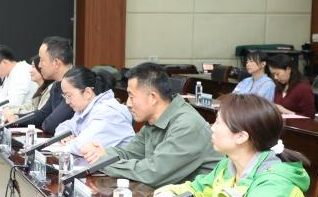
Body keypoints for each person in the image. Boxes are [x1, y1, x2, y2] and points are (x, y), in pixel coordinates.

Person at [150, 93, 318, 197]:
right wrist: (170, 193)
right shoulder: (228, 165)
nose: (212, 127)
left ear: (241, 137)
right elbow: (198, 191)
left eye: (218, 122)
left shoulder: (276, 182)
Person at [81, 62, 220, 187]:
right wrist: (101, 153)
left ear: (153, 97)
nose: (128, 103)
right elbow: (130, 153)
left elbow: (154, 173)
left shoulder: (187, 125)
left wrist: (104, 162)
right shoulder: (153, 121)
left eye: (131, 96)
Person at [50, 67, 135, 154]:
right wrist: (64, 137)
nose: (67, 102)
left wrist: (72, 141)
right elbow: (63, 127)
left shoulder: (109, 113)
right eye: (65, 96)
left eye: (69, 96)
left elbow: (82, 147)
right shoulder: (84, 109)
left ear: (87, 93)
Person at [13, 37, 75, 133]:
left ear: (56, 63)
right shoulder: (57, 85)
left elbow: (50, 125)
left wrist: (44, 122)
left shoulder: (75, 86)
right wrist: (16, 118)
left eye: (42, 60)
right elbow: (43, 114)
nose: (39, 65)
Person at [0, 45, 39, 112]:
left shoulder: (21, 72)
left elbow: (14, 104)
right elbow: (3, 95)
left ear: (4, 62)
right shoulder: (10, 73)